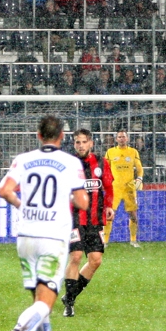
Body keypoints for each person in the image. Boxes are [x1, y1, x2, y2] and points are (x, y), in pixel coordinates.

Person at [0, 115, 89, 331]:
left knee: (39, 302)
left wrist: (21, 204)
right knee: (45, 302)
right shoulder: (70, 162)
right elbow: (82, 202)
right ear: (61, 137)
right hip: (52, 237)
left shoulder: (23, 159)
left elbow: (4, 190)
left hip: (26, 237)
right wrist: (68, 195)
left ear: (39, 136)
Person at [61, 129, 114, 318]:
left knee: (95, 260)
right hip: (74, 219)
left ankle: (69, 295)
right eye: (77, 142)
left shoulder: (101, 163)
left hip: (95, 219)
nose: (80, 145)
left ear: (91, 143)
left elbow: (108, 187)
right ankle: (70, 305)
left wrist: (109, 206)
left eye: (84, 142)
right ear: (74, 144)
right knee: (75, 257)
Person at [102, 130, 144, 247]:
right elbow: (106, 169)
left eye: (123, 137)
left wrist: (139, 179)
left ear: (127, 139)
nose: (121, 139)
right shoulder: (110, 152)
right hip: (114, 188)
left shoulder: (133, 152)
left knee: (133, 215)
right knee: (109, 214)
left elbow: (139, 168)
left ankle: (133, 240)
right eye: (119, 137)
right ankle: (105, 241)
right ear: (116, 139)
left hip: (129, 188)